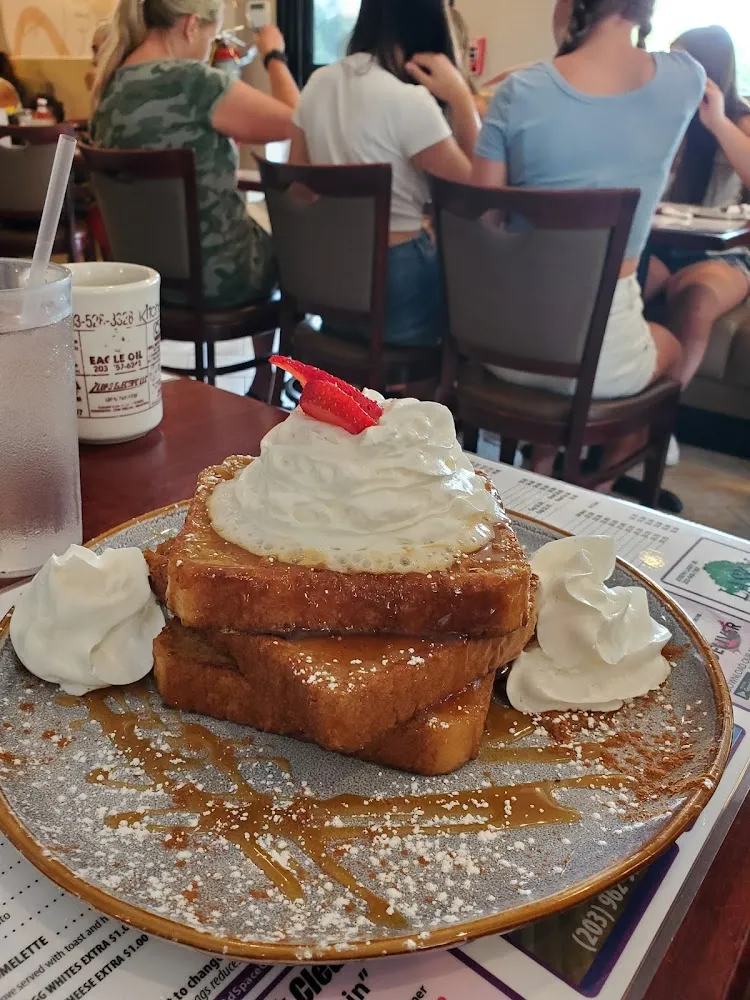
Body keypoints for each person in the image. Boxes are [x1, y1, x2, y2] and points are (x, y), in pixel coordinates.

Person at [472, 0, 706, 477]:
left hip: (502, 345)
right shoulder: (685, 78)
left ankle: (545, 457)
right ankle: (595, 486)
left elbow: (484, 217)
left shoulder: (518, 91)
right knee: (672, 347)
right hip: (600, 359)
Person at [289, 0, 480, 348]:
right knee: (473, 297)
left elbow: (298, 191)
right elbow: (474, 194)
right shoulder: (409, 101)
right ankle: (435, 397)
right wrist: (462, 98)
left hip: (329, 286)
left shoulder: (317, 83)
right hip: (394, 294)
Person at [92, 0, 299, 311]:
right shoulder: (196, 82)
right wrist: (274, 56)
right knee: (296, 250)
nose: (208, 52)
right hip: (217, 278)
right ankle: (271, 360)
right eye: (211, 38)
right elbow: (298, 120)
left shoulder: (110, 87)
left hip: (142, 279)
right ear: (190, 26)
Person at [641, 26, 750, 392]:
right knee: (618, 285)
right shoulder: (661, 119)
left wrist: (716, 122)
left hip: (722, 255)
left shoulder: (739, 120)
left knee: (697, 303)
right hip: (659, 247)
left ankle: (654, 424)